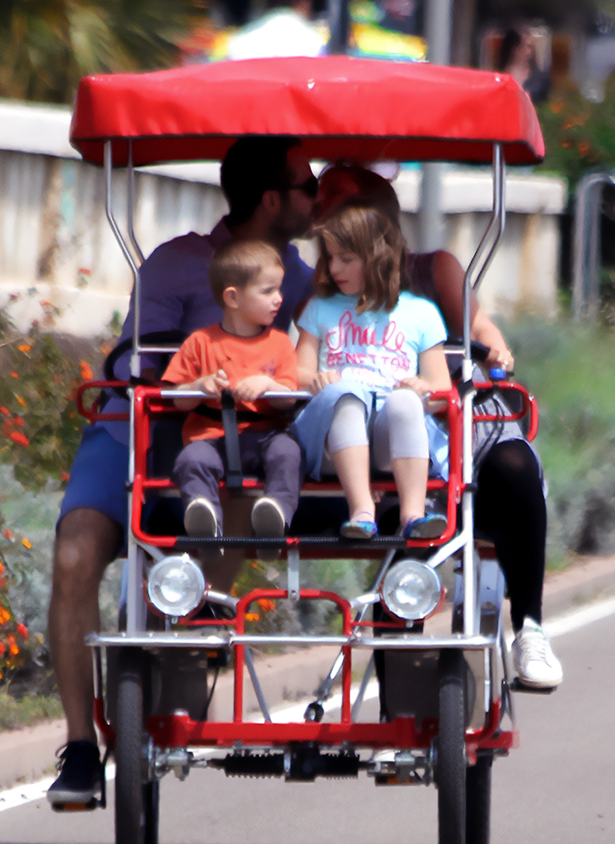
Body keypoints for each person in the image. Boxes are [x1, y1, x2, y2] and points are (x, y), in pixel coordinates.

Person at [46, 137, 316, 805]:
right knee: (74, 554)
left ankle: (189, 627)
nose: (317, 199)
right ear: (272, 199)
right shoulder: (175, 263)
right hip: (138, 429)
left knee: (248, 489)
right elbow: (136, 366)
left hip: (231, 444)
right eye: (308, 187)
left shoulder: (301, 279)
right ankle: (79, 747)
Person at [314, 162, 562, 689]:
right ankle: (400, 692)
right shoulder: (322, 293)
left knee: (514, 463)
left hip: (450, 404)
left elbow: (477, 325)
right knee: (396, 502)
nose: (336, 256)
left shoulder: (433, 271)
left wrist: (495, 348)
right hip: (378, 422)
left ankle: (531, 628)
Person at [291, 201, 452, 540]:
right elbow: (295, 373)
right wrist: (316, 379)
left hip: (388, 439)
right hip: (331, 439)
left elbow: (441, 389)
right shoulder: (320, 308)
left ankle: (413, 514)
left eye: (346, 259)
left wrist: (422, 388)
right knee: (347, 393)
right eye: (330, 257)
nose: (334, 268)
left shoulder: (421, 312)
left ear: (378, 257)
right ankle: (362, 510)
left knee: (405, 401)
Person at [164, 240, 302, 542]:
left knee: (288, 452)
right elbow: (177, 398)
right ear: (233, 297)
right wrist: (199, 386)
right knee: (191, 459)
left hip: (265, 435)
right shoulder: (200, 342)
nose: (279, 299)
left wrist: (268, 385)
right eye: (268, 291)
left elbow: (290, 397)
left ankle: (276, 514)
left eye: (279, 289)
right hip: (211, 437)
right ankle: (204, 517)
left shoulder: (280, 344)